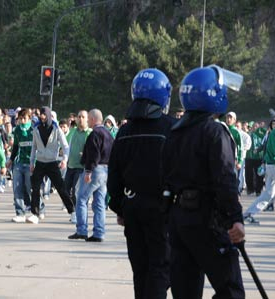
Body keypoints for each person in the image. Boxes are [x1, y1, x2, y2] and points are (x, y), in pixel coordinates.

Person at [163, 66, 245, 298]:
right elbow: (225, 180)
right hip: (208, 220)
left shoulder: (175, 131)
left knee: (185, 290)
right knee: (231, 290)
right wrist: (235, 219)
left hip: (179, 221)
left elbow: (165, 177)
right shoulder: (215, 132)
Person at [108, 68, 176, 298]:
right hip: (161, 210)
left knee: (140, 268)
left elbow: (113, 175)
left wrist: (120, 207)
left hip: (132, 208)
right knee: (159, 268)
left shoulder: (124, 130)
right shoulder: (170, 127)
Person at [68, 108, 113, 242]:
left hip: (95, 170)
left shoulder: (94, 134)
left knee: (81, 198)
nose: (87, 120)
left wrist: (88, 171)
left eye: (88, 118)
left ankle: (81, 230)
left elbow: (94, 155)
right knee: (99, 202)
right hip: (106, 170)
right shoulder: (108, 134)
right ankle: (99, 232)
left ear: (93, 119)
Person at [28, 106, 75, 224]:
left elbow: (65, 147)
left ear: (48, 115)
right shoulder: (36, 128)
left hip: (52, 162)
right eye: (41, 114)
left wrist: (64, 159)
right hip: (40, 162)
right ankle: (35, 214)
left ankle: (73, 212)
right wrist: (31, 162)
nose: (42, 117)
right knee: (35, 188)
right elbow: (34, 147)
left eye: (44, 114)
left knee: (61, 188)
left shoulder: (56, 129)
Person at [6, 108, 42, 222]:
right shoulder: (17, 130)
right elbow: (16, 147)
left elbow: (39, 148)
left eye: (24, 118)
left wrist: (36, 163)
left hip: (31, 163)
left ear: (29, 119)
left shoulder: (34, 130)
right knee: (17, 188)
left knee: (30, 188)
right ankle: (20, 213)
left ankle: (38, 209)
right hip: (19, 163)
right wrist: (11, 160)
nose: (22, 121)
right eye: (20, 118)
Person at [243, 116, 275, 223]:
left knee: (268, 194)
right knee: (268, 194)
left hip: (271, 166)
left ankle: (248, 214)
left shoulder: (274, 132)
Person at [64, 110, 92, 224]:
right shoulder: (73, 131)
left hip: (82, 167)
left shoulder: (89, 132)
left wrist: (86, 154)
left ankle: (77, 213)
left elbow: (93, 149)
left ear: (87, 119)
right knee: (65, 190)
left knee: (76, 191)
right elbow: (66, 145)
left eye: (83, 117)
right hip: (71, 165)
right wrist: (64, 159)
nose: (80, 119)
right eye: (79, 116)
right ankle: (73, 211)